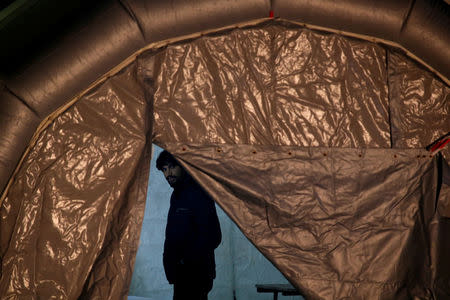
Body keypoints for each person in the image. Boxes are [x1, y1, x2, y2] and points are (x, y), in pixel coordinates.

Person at [156, 150, 222, 300]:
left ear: (183, 166)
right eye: (164, 170)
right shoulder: (176, 195)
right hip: (181, 275)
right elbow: (173, 234)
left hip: (196, 275)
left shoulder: (198, 192)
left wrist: (184, 261)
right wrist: (170, 263)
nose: (168, 174)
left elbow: (213, 236)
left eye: (172, 167)